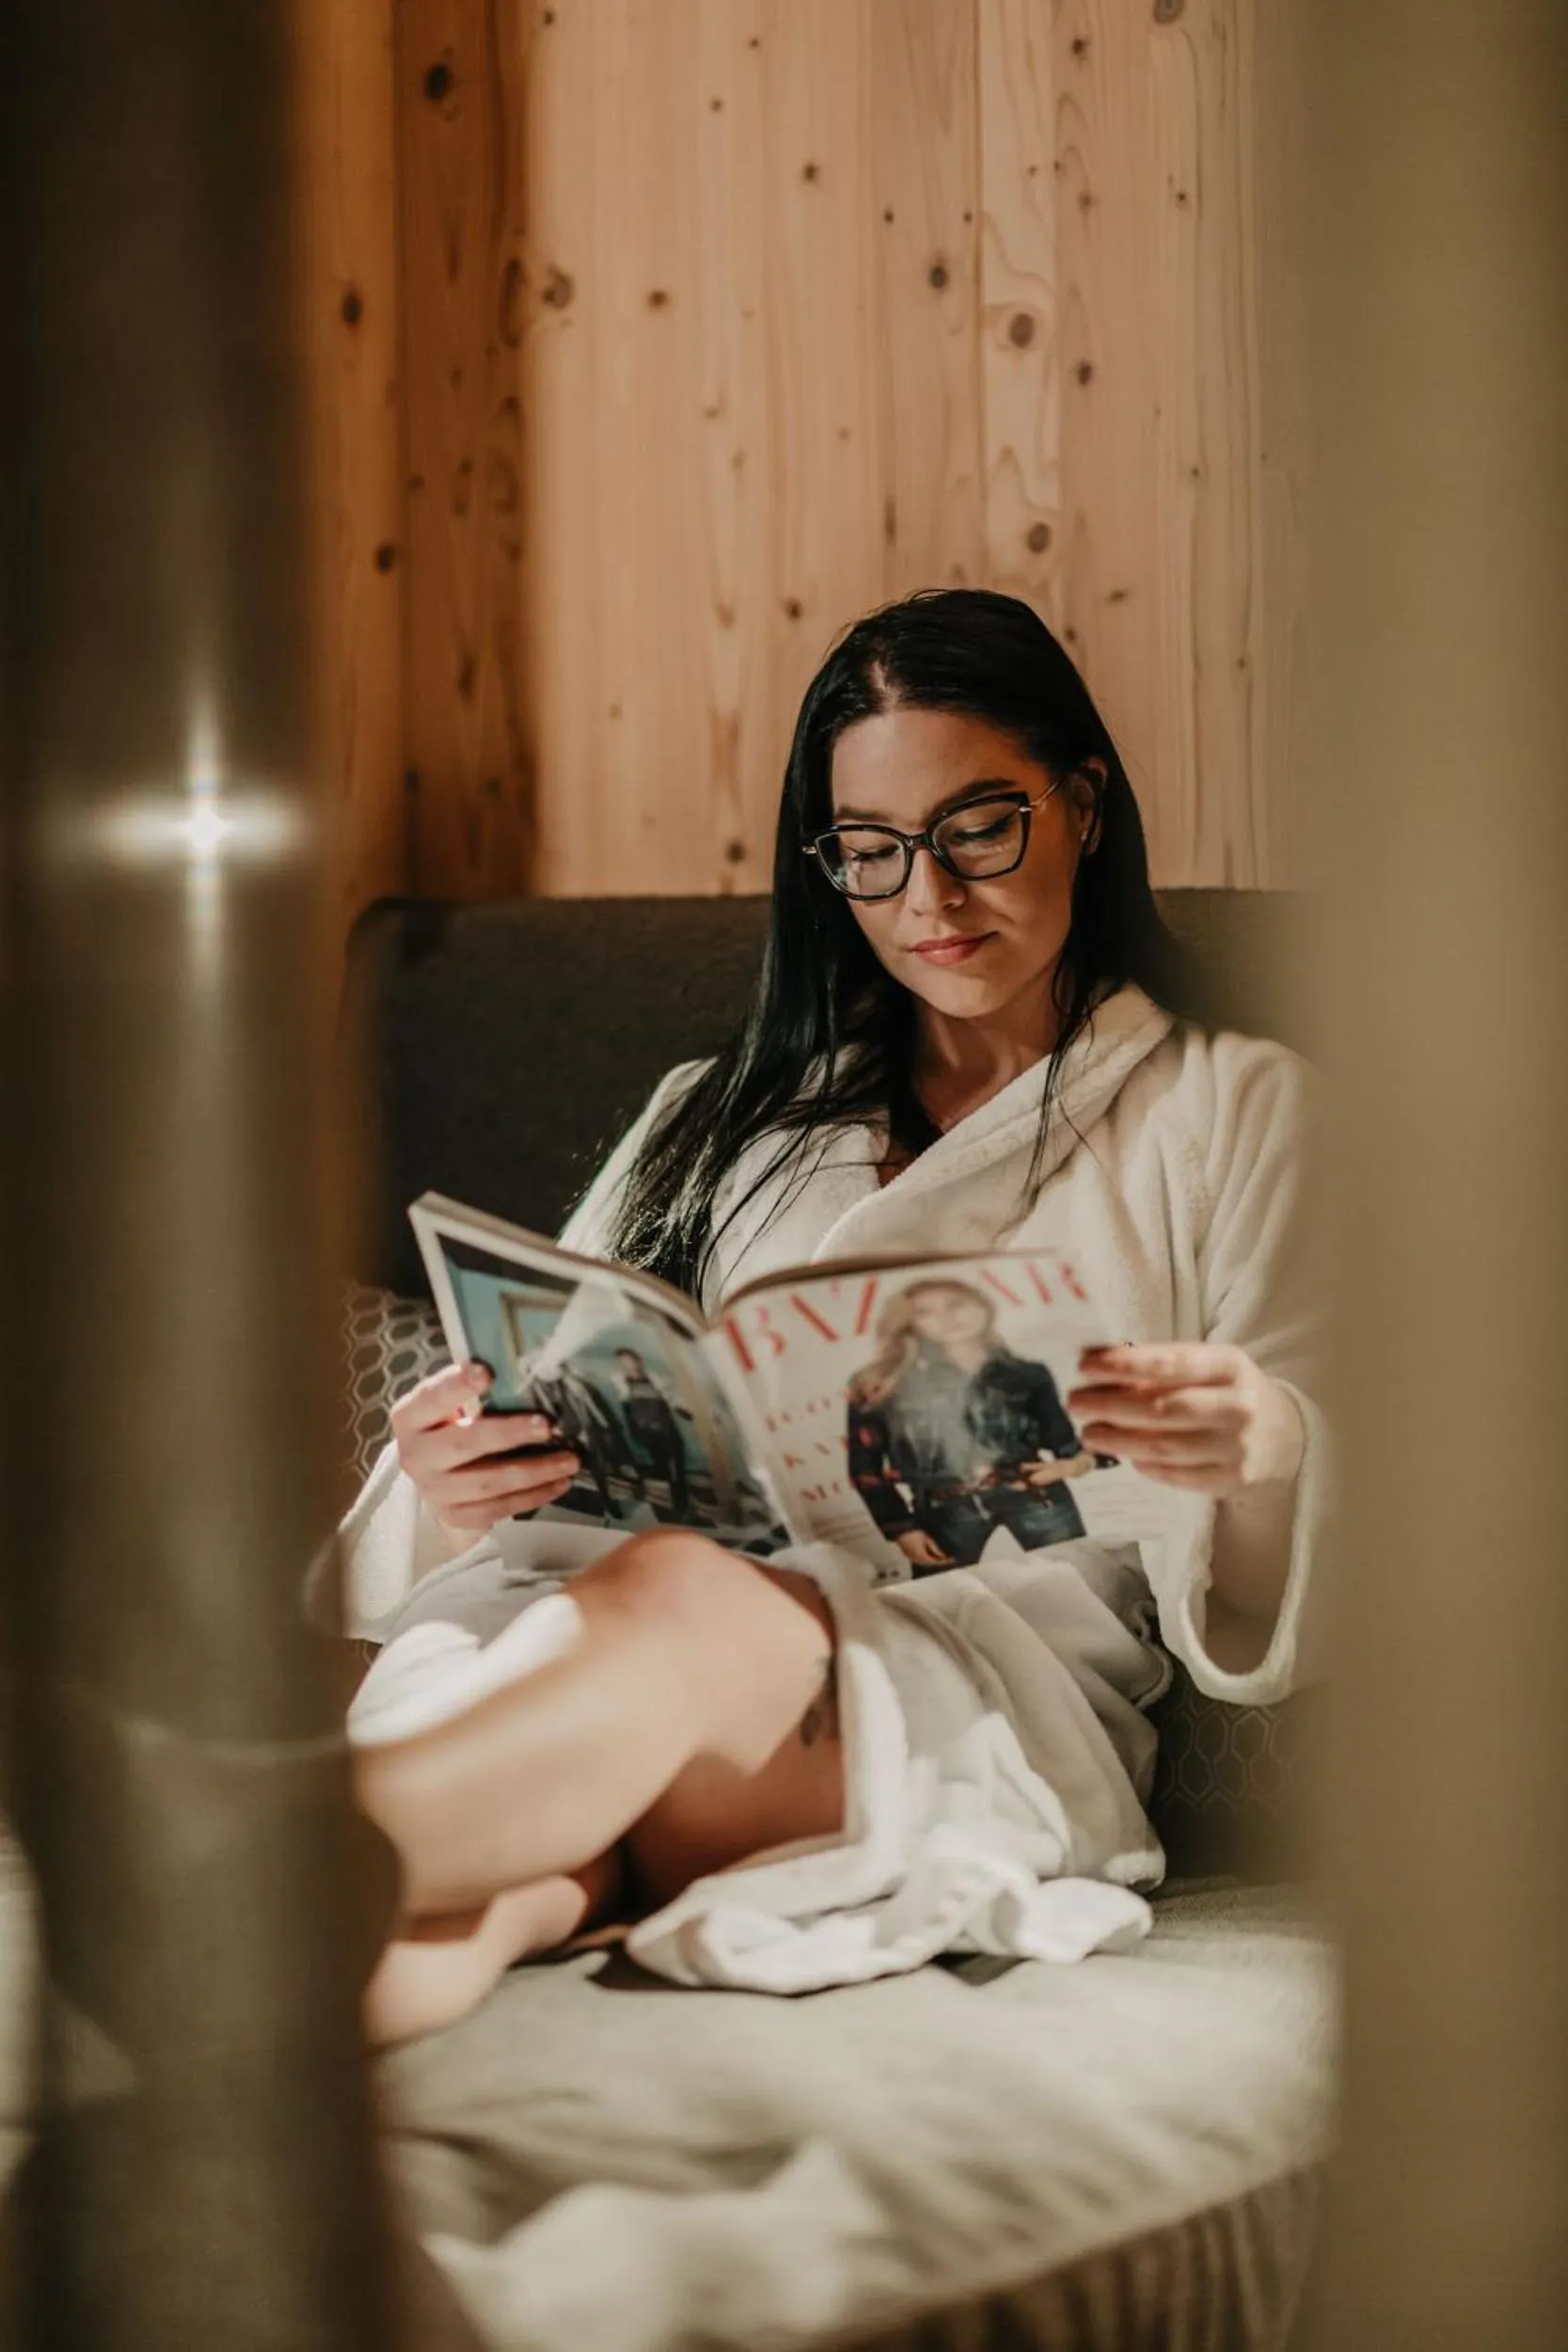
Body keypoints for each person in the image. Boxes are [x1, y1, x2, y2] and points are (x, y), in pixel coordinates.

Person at [340, 587, 1324, 2043]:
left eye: (976, 829)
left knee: (673, 1600)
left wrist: (1263, 1450)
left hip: (939, 1704)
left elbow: (1317, 1537)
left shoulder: (1228, 1109)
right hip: (593, 1672)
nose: (928, 900)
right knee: (513, 1885)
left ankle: (240, 1865)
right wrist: (447, 1482)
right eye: (870, 851)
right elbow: (547, 1387)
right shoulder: (718, 1116)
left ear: (1082, 804)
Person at [847, 1279, 1096, 1566]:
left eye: (956, 1304)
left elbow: (1065, 1442)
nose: (947, 1318)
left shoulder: (1027, 1374)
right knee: (944, 1592)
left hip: (1035, 1496)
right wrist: (901, 1528)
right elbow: (865, 1470)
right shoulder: (880, 1386)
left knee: (1082, 1574)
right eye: (926, 1312)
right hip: (943, 1509)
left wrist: (1072, 1466)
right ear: (910, 1324)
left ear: (983, 1306)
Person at [610, 1346, 692, 1519]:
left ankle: (682, 1506)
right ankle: (675, 1506)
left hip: (666, 1430)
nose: (629, 1366)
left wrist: (686, 1413)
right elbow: (627, 1410)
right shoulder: (624, 1385)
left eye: (631, 1361)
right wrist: (633, 1431)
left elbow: (673, 1399)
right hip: (648, 1433)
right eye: (624, 1363)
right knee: (663, 1467)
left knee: (677, 1466)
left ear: (639, 1361)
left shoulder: (655, 1379)